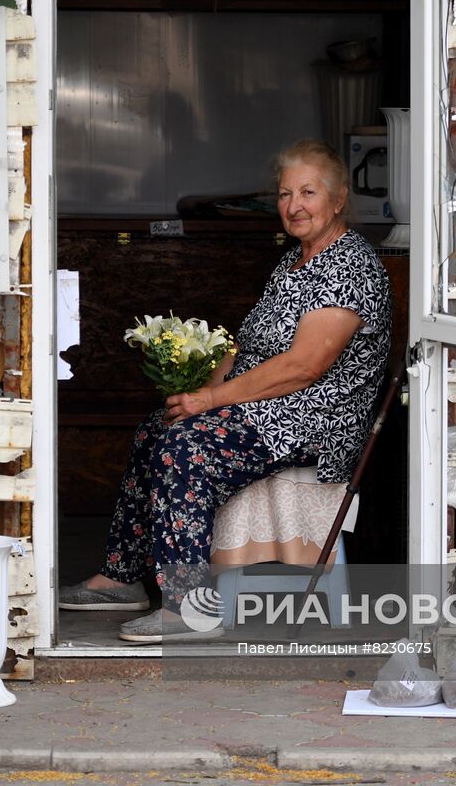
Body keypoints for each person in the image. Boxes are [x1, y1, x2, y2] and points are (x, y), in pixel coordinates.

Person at [60, 140, 392, 642]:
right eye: (284, 194)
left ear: (338, 199)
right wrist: (195, 396)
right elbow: (249, 347)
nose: (294, 206)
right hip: (270, 410)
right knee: (160, 426)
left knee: (184, 446)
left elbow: (304, 367)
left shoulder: (349, 267)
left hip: (314, 421)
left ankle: (189, 608)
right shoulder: (293, 264)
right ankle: (123, 575)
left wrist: (212, 403)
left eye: (308, 192)